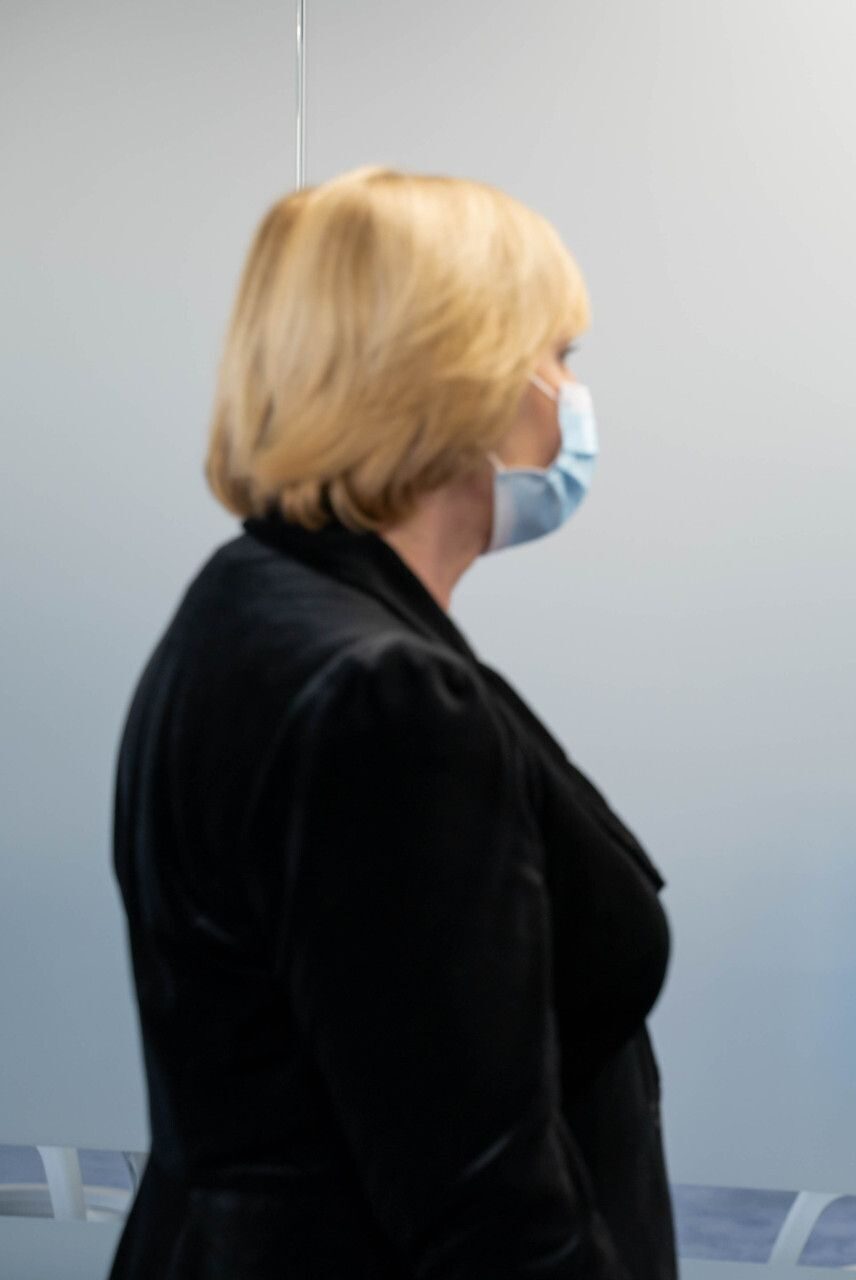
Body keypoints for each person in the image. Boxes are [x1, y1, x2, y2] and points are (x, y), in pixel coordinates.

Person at [109, 166, 673, 1279]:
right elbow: (486, 1207)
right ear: (462, 374)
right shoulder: (386, 700)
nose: (570, 396)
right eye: (559, 355)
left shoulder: (253, 602)